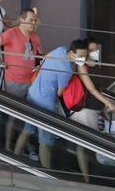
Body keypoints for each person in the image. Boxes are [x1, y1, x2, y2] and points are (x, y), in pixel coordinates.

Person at [62, 37, 115, 182]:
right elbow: (92, 90)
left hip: (95, 110)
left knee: (88, 144)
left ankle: (90, 176)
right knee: (86, 144)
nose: (95, 52)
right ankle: (87, 178)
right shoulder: (82, 66)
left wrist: (106, 104)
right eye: (92, 50)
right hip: (85, 110)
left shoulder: (95, 65)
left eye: (97, 49)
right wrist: (109, 103)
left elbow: (99, 89)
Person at [24, 39, 87, 170]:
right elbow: (59, 92)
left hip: (32, 93)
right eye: (80, 56)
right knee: (46, 142)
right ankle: (46, 172)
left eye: (84, 56)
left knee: (27, 131)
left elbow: (45, 58)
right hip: (46, 104)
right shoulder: (67, 71)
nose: (82, 59)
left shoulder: (60, 49)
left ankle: (14, 157)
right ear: (72, 53)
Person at [0, 8, 42, 151]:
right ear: (22, 20)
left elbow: (39, 56)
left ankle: (24, 144)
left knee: (27, 117)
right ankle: (8, 147)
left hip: (30, 82)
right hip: (14, 81)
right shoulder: (12, 33)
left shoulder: (35, 37)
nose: (33, 23)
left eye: (35, 20)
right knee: (13, 116)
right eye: (31, 20)